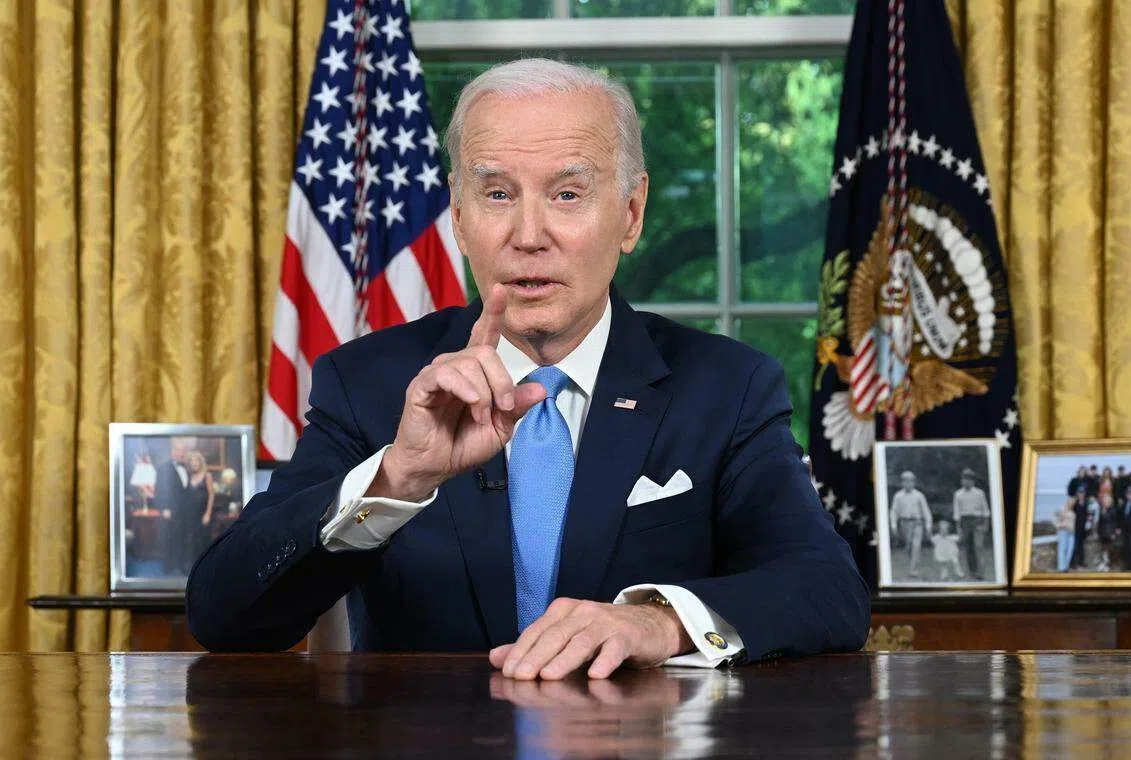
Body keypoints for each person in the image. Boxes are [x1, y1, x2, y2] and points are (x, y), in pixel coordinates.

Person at [185, 59, 869, 676]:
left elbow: (827, 588)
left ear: (630, 215)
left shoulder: (727, 387)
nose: (529, 235)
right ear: (457, 215)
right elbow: (225, 616)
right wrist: (399, 476)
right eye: (498, 195)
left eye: (568, 195)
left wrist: (657, 623)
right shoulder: (369, 383)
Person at [154, 438, 192, 576]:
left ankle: (181, 566)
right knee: (170, 539)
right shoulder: (163, 468)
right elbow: (159, 490)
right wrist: (163, 509)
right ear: (172, 452)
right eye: (178, 450)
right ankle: (168, 568)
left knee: (183, 539)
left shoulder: (189, 467)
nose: (181, 453)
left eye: (183, 451)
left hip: (186, 512)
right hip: (170, 511)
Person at [175, 451, 216, 574]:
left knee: (202, 540)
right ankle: (190, 567)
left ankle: (203, 568)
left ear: (200, 463)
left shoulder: (207, 476)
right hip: (189, 514)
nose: (194, 464)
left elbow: (211, 495)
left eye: (196, 461)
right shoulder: (188, 476)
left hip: (202, 513)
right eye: (191, 462)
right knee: (189, 540)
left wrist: (208, 513)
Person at [889, 471, 933, 578]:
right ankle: (912, 564)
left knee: (916, 546)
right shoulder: (898, 496)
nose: (908, 484)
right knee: (908, 547)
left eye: (910, 481)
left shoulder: (919, 496)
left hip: (917, 523)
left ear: (914, 482)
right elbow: (894, 511)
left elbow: (926, 511)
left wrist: (928, 525)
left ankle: (913, 569)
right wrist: (894, 525)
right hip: (904, 523)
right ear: (902, 483)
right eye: (905, 481)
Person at [952, 468, 990, 579]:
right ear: (961, 480)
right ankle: (972, 571)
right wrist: (958, 527)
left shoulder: (979, 493)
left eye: (969, 479)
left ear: (973, 481)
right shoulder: (958, 494)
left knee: (978, 546)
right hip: (965, 521)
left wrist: (985, 524)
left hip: (977, 520)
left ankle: (981, 572)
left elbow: (985, 510)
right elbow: (957, 512)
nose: (966, 482)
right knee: (968, 548)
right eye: (964, 479)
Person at [1071, 484, 1091, 570]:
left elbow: (1088, 513)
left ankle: (1081, 562)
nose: (1081, 494)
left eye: (1082, 492)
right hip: (1075, 528)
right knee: (1075, 546)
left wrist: (1089, 517)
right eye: (1080, 492)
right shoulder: (1074, 503)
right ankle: (1072, 563)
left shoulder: (1086, 502)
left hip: (1083, 528)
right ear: (1077, 493)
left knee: (1081, 546)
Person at [1053, 499, 1076, 572]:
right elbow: (1053, 517)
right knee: (1062, 549)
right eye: (1069, 502)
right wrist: (1059, 525)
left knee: (1070, 549)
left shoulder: (1072, 511)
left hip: (1071, 532)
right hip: (1063, 531)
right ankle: (1062, 568)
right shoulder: (1062, 509)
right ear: (1067, 502)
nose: (1071, 503)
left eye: (1072, 503)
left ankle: (1066, 566)